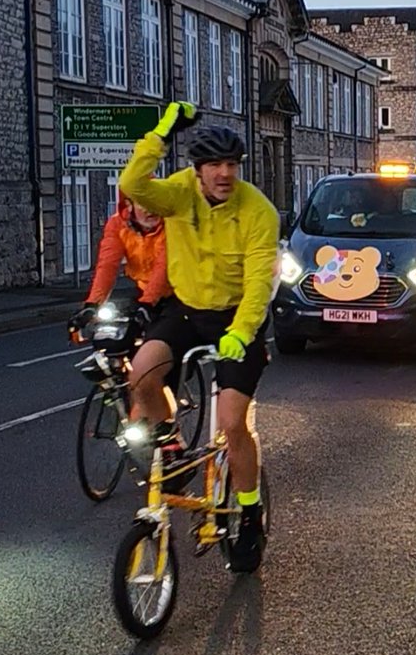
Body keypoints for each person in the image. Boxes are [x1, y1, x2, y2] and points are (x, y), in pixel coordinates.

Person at [118, 101, 280, 573]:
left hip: (236, 318)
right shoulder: (179, 194)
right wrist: (162, 131)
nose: (224, 173)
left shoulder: (258, 211)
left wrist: (242, 332)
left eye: (232, 164)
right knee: (142, 375)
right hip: (187, 311)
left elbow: (258, 285)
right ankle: (171, 444)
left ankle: (248, 511)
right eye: (214, 165)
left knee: (232, 422)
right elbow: (132, 185)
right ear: (198, 169)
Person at [68, 192, 170, 333]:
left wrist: (147, 303)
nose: (150, 210)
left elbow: (163, 267)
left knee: (165, 341)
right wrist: (92, 305)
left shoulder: (172, 224)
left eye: (155, 202)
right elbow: (107, 265)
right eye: (143, 203)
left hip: (180, 294)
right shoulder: (117, 224)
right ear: (129, 205)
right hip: (144, 291)